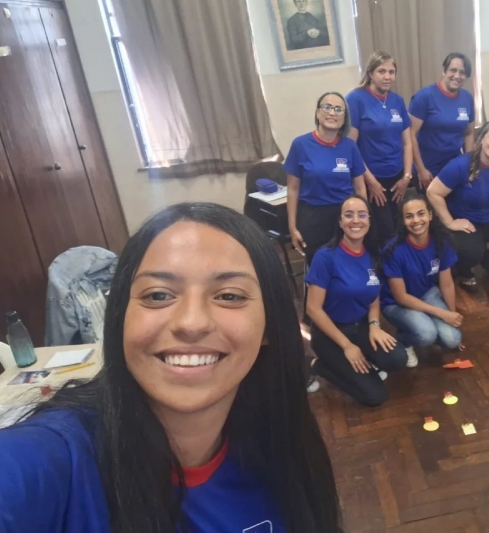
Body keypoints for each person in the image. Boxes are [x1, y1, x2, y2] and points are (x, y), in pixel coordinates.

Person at [0, 203, 340, 532]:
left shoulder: (282, 448)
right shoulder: (54, 461)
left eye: (229, 295)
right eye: (158, 295)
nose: (191, 323)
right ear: (120, 318)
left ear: (269, 326)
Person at [306, 195, 408, 406]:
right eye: (349, 215)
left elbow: (373, 296)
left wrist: (374, 325)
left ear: (369, 220)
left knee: (398, 359)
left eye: (362, 215)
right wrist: (347, 346)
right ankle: (317, 365)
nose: (356, 220)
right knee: (375, 396)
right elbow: (313, 309)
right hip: (330, 334)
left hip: (359, 327)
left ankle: (363, 361)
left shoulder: (372, 255)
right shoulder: (325, 256)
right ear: (340, 221)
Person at [427, 120, 489, 290]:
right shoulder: (460, 165)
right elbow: (433, 192)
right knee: (471, 252)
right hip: (465, 217)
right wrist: (449, 222)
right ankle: (465, 271)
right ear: (481, 138)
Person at [381, 191, 463, 368]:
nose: (416, 220)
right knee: (426, 334)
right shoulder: (393, 250)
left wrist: (452, 316)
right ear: (403, 221)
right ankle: (404, 339)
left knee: (452, 339)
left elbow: (447, 284)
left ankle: (423, 324)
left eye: (421, 214)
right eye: (409, 216)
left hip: (426, 293)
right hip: (395, 303)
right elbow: (401, 297)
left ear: (430, 215)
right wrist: (442, 313)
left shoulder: (441, 242)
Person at [285, 92, 367, 265]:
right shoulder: (300, 145)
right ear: (317, 112)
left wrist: (363, 217)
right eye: (327, 107)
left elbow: (360, 188)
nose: (332, 113)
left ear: (344, 118)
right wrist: (292, 227)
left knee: (347, 264)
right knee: (319, 266)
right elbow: (292, 189)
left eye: (338, 109)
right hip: (312, 218)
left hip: (344, 216)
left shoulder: (350, 146)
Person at [346, 51, 413, 245]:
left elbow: (407, 142)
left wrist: (406, 177)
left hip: (398, 178)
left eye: (391, 72)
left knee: (401, 227)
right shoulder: (355, 99)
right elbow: (350, 146)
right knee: (384, 232)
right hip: (372, 179)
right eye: (381, 71)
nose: (387, 77)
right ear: (370, 73)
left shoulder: (397, 101)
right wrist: (371, 182)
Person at [409, 53, 476, 189]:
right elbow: (411, 134)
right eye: (453, 70)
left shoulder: (467, 98)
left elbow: (469, 133)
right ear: (444, 71)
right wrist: (421, 169)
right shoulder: (424, 97)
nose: (457, 76)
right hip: (427, 168)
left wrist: (468, 163)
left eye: (462, 72)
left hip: (454, 167)